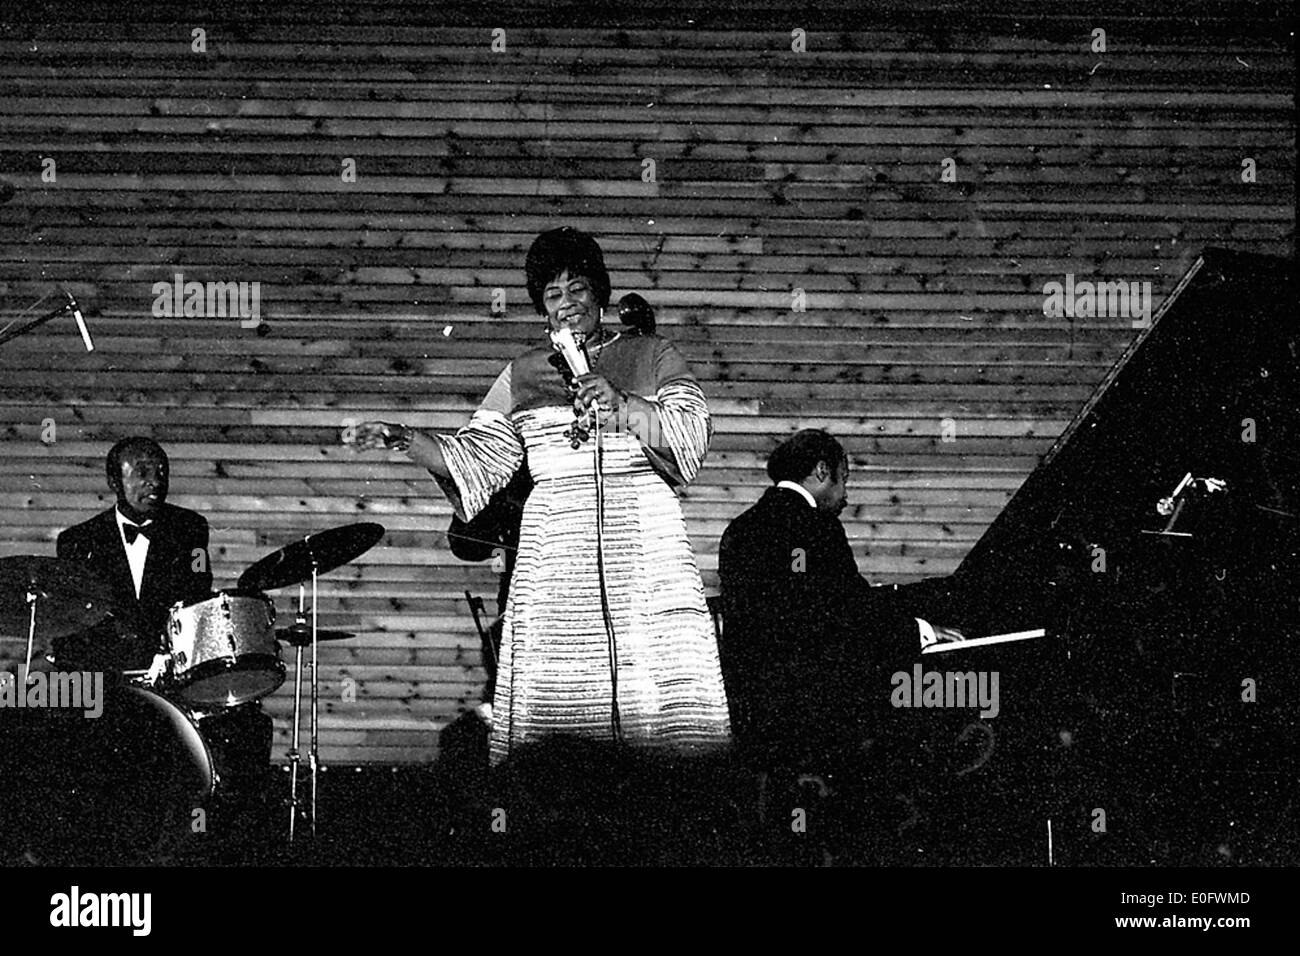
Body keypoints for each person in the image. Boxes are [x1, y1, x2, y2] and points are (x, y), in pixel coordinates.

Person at [348, 226, 731, 765]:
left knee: (656, 702)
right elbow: (475, 460)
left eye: (577, 289)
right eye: (553, 295)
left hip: (644, 544)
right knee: (562, 698)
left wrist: (622, 403)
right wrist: (406, 439)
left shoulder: (652, 352)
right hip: (558, 552)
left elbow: (691, 434)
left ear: (600, 293)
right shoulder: (522, 373)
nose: (567, 304)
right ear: (541, 307)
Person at [54, 437, 273, 859]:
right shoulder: (77, 541)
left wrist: (168, 653)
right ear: (114, 481)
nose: (154, 481)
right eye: (141, 473)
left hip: (168, 674)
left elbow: (195, 594)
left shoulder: (190, 530)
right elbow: (74, 621)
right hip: (111, 681)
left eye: (160, 472)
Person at [717, 429, 939, 771]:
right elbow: (842, 612)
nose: (846, 495)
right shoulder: (815, 526)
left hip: (754, 709)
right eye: (844, 480)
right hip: (816, 712)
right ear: (822, 471)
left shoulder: (740, 528)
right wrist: (920, 632)